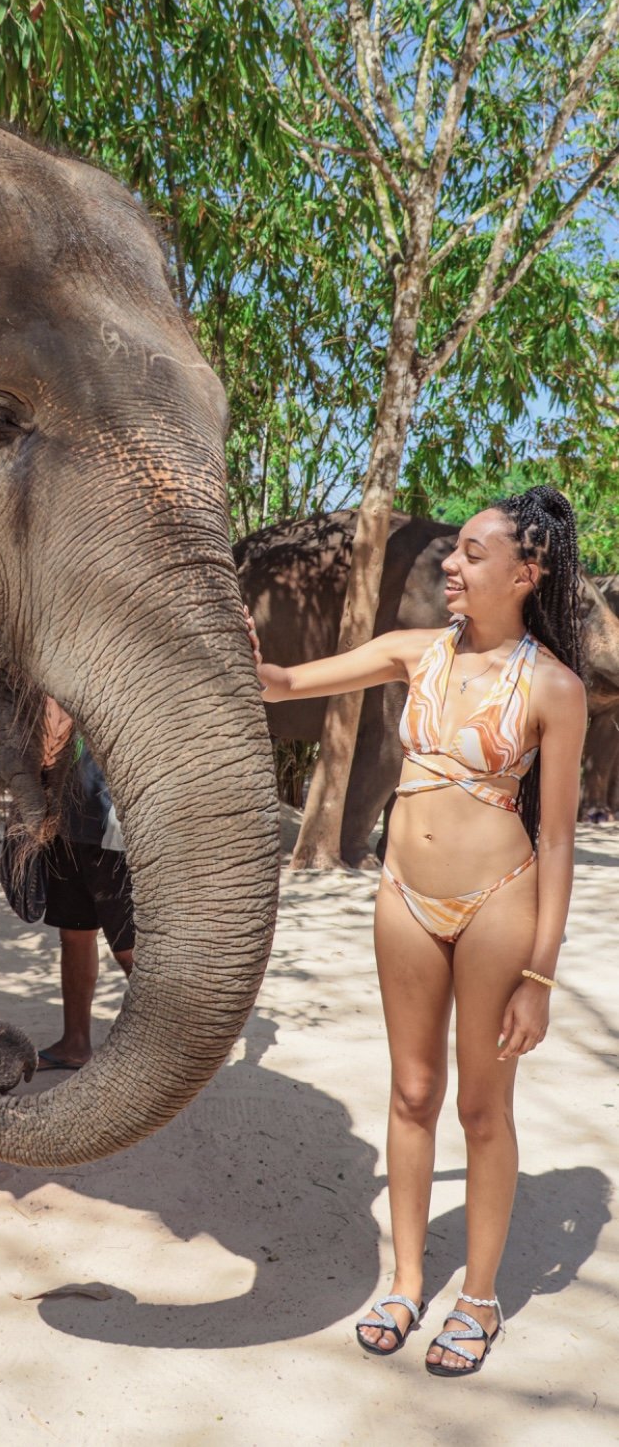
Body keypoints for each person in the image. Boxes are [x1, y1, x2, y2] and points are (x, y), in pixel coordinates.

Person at [247, 487, 587, 1377]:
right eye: (455, 551)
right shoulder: (413, 654)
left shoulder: (553, 687)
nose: (452, 564)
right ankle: (403, 1281)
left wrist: (539, 977)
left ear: (527, 572)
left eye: (474, 554)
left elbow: (556, 839)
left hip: (498, 905)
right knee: (409, 1094)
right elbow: (286, 683)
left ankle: (476, 1297)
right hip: (402, 895)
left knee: (482, 1107)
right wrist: (244, 652)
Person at [36, 698, 134, 1071]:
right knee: (74, 934)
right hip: (64, 824)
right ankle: (75, 1043)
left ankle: (168, 1052)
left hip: (110, 829)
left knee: (129, 947)